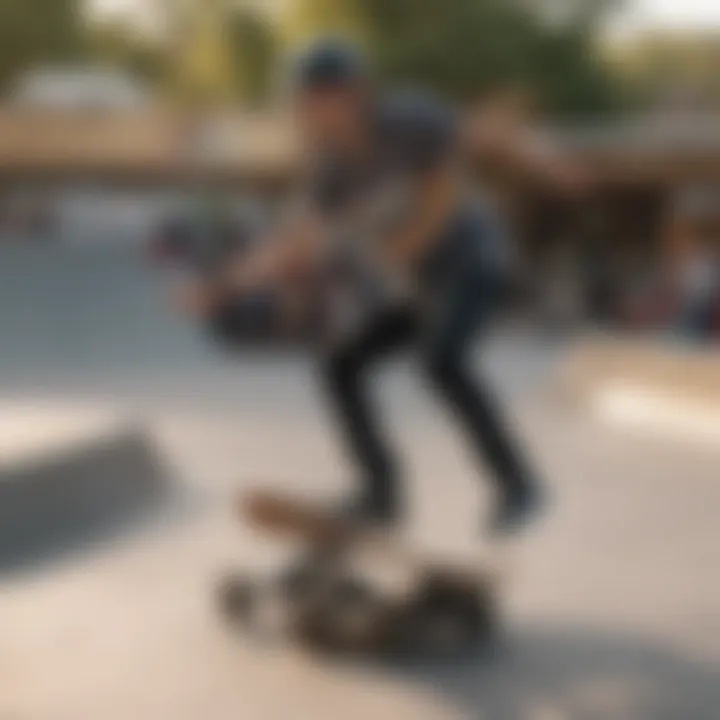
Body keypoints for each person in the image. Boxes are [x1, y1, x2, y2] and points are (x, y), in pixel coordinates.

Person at [181, 39, 545, 535]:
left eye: (311, 101)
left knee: (442, 362)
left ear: (349, 94)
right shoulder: (331, 170)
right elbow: (294, 239)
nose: (304, 114)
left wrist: (403, 247)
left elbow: (444, 188)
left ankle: (518, 484)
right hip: (420, 286)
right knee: (340, 364)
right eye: (299, 104)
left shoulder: (411, 120)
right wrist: (224, 286)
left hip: (474, 264)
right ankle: (381, 494)